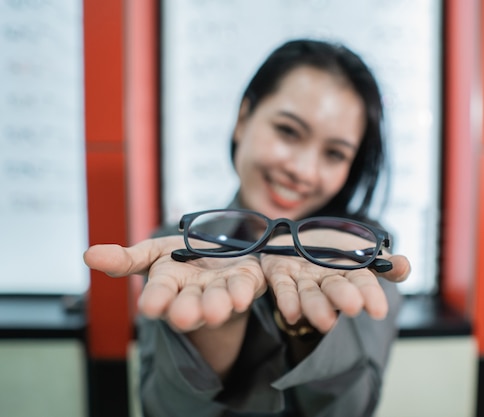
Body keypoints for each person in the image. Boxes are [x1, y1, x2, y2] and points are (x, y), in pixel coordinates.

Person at [83, 38, 411, 417]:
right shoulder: (180, 251)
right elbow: (160, 408)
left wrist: (310, 330)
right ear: (244, 118)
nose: (303, 170)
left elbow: (352, 410)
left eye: (334, 153)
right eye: (288, 131)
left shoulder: (363, 255)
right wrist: (211, 335)